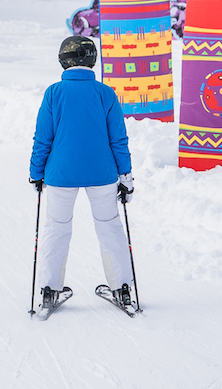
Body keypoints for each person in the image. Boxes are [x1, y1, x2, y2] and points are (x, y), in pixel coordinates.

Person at [29, 34, 137, 314]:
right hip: (102, 174)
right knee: (110, 227)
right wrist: (125, 176)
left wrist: (35, 173)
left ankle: (49, 291)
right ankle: (123, 290)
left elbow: (43, 139)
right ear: (92, 60)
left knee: (56, 229)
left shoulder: (54, 93)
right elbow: (118, 139)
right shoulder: (105, 93)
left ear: (63, 60)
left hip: (60, 175)